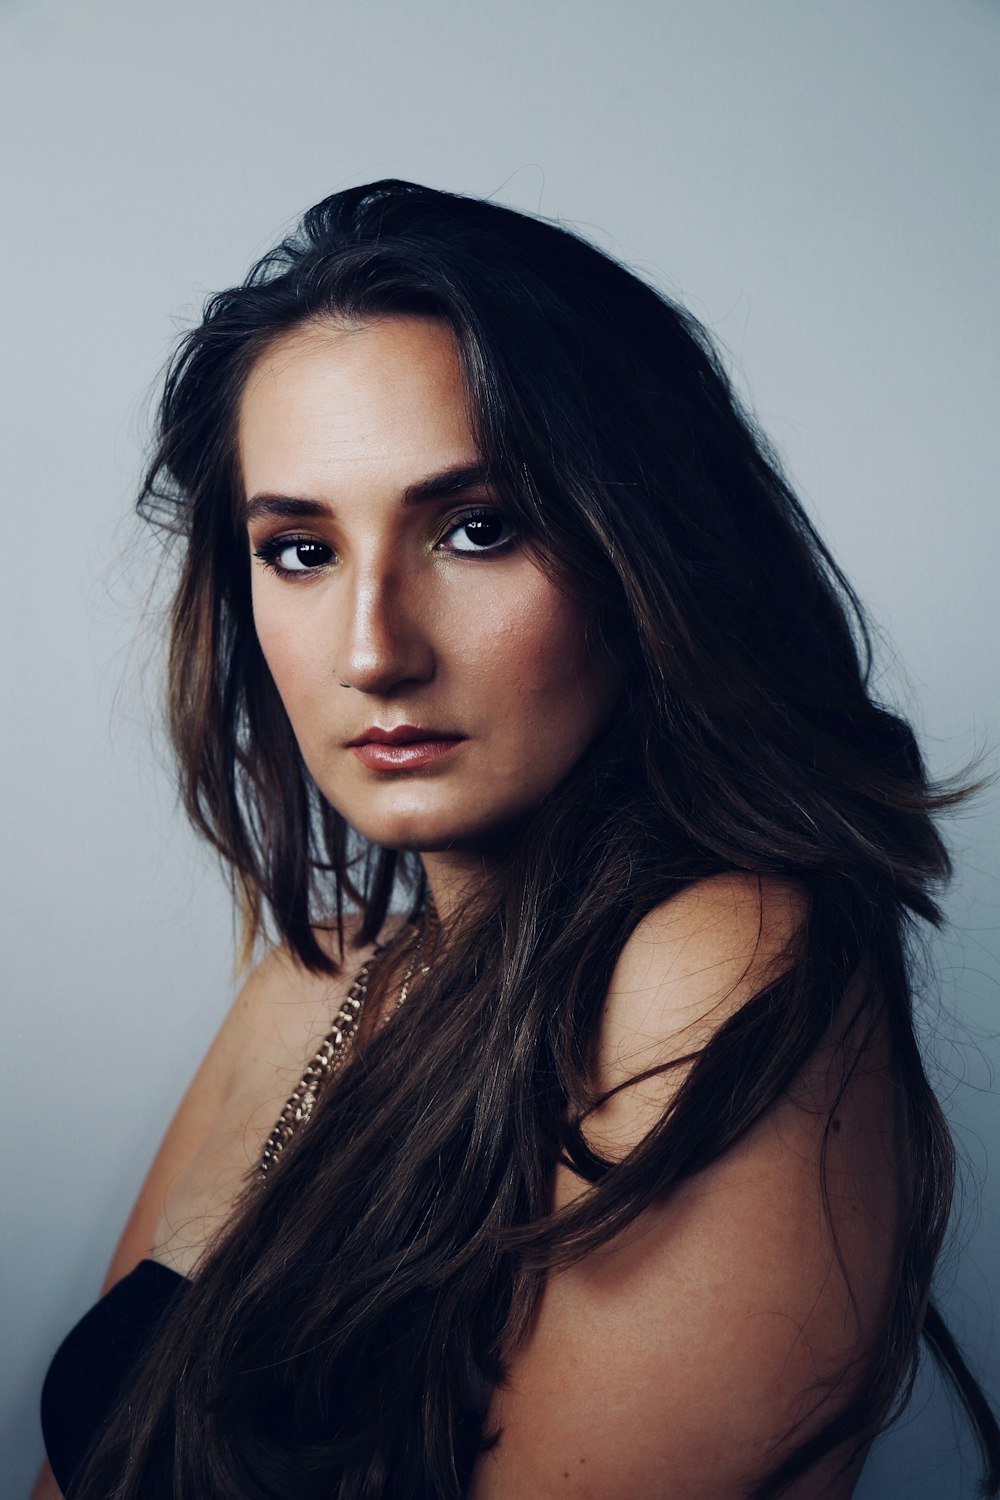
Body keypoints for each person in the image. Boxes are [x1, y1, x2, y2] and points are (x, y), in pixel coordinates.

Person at [33, 179, 999, 1500]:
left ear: (641, 548)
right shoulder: (316, 978)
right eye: (301, 548)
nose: (374, 650)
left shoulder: (715, 963)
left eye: (478, 529)